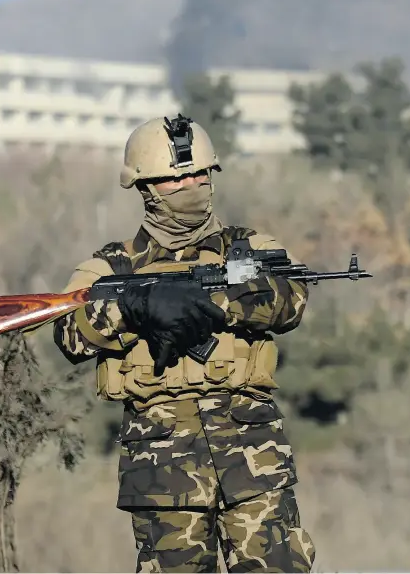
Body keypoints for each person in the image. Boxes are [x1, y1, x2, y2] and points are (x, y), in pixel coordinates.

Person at [54, 114, 315, 573]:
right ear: (145, 187)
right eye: (176, 179)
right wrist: (136, 307)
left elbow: (290, 300)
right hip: (162, 468)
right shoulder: (111, 267)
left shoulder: (249, 247)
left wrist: (212, 298)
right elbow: (70, 334)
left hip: (252, 456)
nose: (191, 184)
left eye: (199, 174)